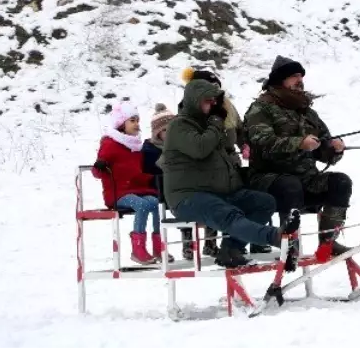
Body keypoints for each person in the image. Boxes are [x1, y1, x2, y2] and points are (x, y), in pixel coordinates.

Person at [161, 77, 293, 268]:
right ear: (195, 101)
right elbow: (200, 148)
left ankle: (231, 249)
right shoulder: (178, 125)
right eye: (208, 101)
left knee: (264, 202)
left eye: (215, 101)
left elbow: (224, 155)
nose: (213, 105)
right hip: (188, 197)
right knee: (228, 214)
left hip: (218, 193)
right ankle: (275, 237)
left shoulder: (210, 126)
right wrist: (216, 122)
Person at [244, 55, 353, 259]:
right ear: (280, 80)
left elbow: (322, 149)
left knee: (340, 182)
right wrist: (299, 143)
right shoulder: (261, 108)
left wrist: (333, 149)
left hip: (306, 181)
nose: (300, 80)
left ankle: (327, 243)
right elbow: (262, 142)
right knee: (290, 184)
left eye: (301, 76)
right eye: (294, 76)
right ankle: (289, 241)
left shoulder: (307, 112)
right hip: (268, 180)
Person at [176, 67, 271, 256]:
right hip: (201, 165)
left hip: (230, 162)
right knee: (211, 200)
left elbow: (240, 129)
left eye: (215, 87)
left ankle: (241, 240)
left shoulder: (228, 106)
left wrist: (245, 144)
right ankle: (199, 242)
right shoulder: (188, 110)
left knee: (244, 197)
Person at [92, 102, 163, 265]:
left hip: (135, 189)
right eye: (132, 120)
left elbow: (138, 171)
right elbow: (97, 172)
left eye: (137, 120)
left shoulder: (136, 145)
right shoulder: (110, 143)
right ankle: (138, 249)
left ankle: (159, 247)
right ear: (121, 123)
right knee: (143, 205)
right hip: (117, 193)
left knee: (155, 203)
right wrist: (99, 166)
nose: (137, 124)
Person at [140, 103, 176, 262]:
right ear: (157, 132)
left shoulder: (178, 146)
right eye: (165, 130)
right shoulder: (149, 149)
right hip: (157, 190)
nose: (169, 134)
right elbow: (150, 171)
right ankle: (158, 247)